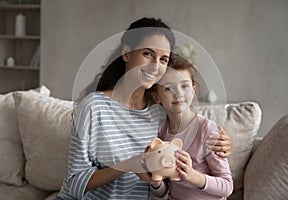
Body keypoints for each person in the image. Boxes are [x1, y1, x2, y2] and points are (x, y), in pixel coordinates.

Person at [56, 17, 231, 200]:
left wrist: (220, 143)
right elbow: (74, 183)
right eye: (147, 54)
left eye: (163, 59)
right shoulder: (93, 107)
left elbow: (192, 129)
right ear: (126, 53)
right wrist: (128, 165)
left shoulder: (160, 113)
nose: (155, 66)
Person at [149, 54, 233, 200]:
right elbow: (162, 192)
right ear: (157, 97)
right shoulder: (161, 134)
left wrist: (192, 175)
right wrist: (156, 181)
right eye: (168, 88)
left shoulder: (206, 130)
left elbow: (227, 187)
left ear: (193, 90)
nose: (178, 93)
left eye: (184, 86)